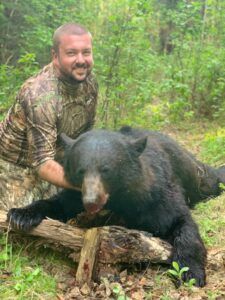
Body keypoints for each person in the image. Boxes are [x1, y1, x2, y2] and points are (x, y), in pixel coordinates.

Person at [0, 23, 98, 210]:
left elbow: (85, 136)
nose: (81, 60)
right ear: (55, 56)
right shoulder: (40, 94)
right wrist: (87, 187)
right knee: (25, 218)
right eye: (71, 53)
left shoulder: (90, 83)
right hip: (15, 167)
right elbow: (42, 163)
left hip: (58, 157)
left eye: (86, 52)